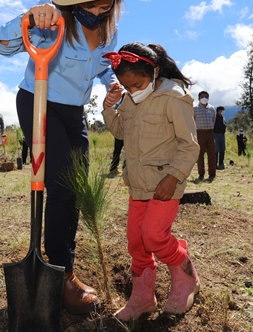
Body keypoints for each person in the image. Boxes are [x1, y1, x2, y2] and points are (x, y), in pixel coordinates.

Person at [0, 0, 141, 313]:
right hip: (39, 101)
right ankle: (63, 276)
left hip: (74, 113)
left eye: (106, 5)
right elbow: (1, 45)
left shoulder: (108, 30)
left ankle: (61, 266)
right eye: (91, 4)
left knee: (75, 188)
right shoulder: (52, 20)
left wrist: (113, 84)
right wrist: (29, 18)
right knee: (61, 187)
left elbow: (103, 67)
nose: (99, 12)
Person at [101, 42, 199, 320]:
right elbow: (120, 132)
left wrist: (173, 176)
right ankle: (143, 298)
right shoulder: (130, 99)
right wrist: (109, 107)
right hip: (138, 184)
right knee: (136, 241)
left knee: (154, 237)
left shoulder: (174, 97)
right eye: (127, 86)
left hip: (165, 184)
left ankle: (186, 275)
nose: (133, 91)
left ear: (154, 72)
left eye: (138, 84)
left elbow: (189, 145)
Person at [193, 91, 216, 181]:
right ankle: (201, 174)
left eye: (206, 97)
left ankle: (212, 174)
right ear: (198, 98)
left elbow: (213, 120)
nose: (204, 98)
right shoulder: (195, 109)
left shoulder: (212, 108)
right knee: (200, 154)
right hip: (200, 133)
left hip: (210, 133)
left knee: (212, 154)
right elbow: (192, 120)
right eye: (202, 97)